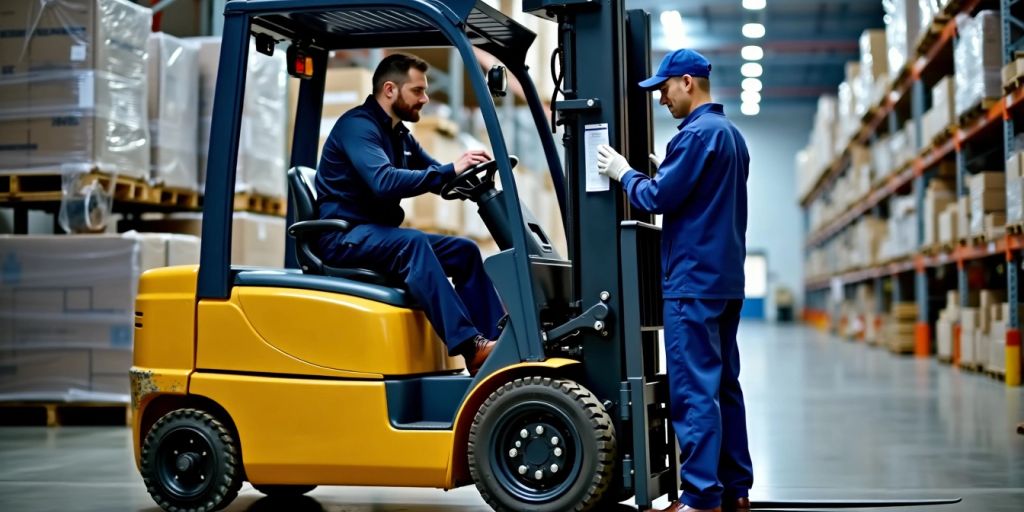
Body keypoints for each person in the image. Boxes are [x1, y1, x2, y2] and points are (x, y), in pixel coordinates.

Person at [596, 49, 754, 512]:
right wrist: (662, 167)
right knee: (725, 386)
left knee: (693, 391)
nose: (661, 98)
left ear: (687, 82)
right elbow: (696, 192)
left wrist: (624, 173)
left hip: (691, 283)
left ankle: (701, 498)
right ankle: (735, 489)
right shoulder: (730, 136)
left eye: (664, 88)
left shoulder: (695, 136)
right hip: (725, 281)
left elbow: (657, 197)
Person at [314, 53, 505, 375]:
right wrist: (447, 170)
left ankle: (499, 348)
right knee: (413, 243)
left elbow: (435, 173)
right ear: (390, 90)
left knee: (464, 251)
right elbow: (384, 182)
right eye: (417, 91)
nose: (425, 99)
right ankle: (470, 347)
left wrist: (463, 174)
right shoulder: (358, 127)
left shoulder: (398, 134)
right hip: (343, 236)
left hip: (373, 234)